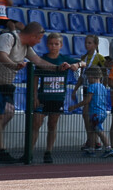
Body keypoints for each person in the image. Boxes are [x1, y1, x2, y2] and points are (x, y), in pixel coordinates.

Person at [0, 22, 66, 163]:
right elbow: (1, 55)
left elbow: (38, 60)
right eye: (39, 39)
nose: (39, 42)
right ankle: (0, 151)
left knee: (0, 114)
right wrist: (14, 66)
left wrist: (57, 68)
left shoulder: (26, 46)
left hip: (4, 83)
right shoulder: (9, 38)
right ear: (33, 36)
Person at [32, 32, 81, 163]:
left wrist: (77, 65)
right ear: (47, 44)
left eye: (56, 44)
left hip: (57, 97)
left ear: (61, 45)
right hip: (42, 97)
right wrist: (34, 96)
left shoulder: (65, 59)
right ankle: (29, 152)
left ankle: (48, 152)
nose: (53, 46)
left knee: (52, 124)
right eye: (51, 44)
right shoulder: (42, 60)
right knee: (36, 123)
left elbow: (83, 63)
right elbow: (35, 78)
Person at [70, 67, 113, 158]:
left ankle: (108, 148)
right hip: (102, 112)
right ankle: (92, 149)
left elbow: (87, 100)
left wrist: (75, 106)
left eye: (88, 78)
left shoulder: (92, 87)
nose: (88, 80)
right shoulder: (103, 87)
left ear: (91, 76)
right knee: (92, 130)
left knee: (99, 130)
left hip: (95, 113)